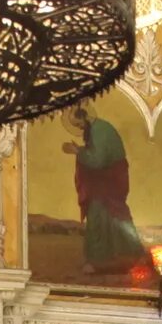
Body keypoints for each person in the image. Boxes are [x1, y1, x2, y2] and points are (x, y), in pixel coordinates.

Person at [62, 106, 144, 274]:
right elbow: (96, 155)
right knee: (108, 215)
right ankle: (120, 256)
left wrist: (78, 151)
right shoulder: (96, 129)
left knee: (100, 215)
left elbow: (98, 161)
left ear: (84, 117)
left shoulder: (100, 130)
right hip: (105, 180)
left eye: (78, 124)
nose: (79, 128)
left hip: (109, 180)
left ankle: (99, 261)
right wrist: (81, 151)